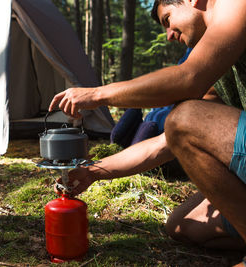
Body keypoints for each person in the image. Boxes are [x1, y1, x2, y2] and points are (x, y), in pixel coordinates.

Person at [48, 0, 246, 265]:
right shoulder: (217, 69)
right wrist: (92, 172)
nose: (169, 35)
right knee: (181, 225)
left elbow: (188, 78)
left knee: (182, 118)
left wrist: (97, 94)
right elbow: (166, 143)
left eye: (167, 19)